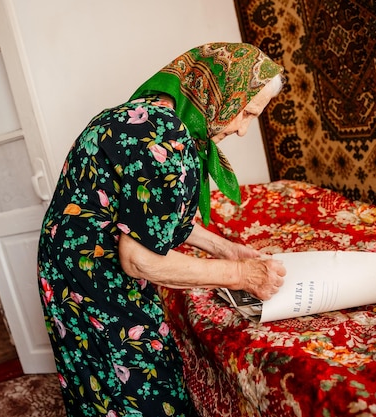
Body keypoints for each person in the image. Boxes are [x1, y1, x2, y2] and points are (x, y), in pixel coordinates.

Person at [37, 42, 287, 417]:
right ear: (219, 92)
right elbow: (138, 259)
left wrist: (227, 250)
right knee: (141, 391)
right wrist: (240, 274)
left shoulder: (139, 115)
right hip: (92, 279)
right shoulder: (167, 141)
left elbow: (147, 217)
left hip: (63, 269)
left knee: (97, 383)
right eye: (245, 113)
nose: (240, 130)